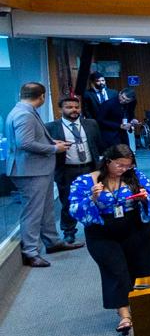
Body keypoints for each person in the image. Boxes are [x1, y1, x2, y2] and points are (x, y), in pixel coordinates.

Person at [68, 144, 150, 335]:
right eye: (120, 165)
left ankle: (146, 309)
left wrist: (144, 198)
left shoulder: (135, 177)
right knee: (116, 270)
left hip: (133, 227)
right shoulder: (84, 181)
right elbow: (74, 210)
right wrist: (92, 199)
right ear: (108, 162)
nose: (124, 170)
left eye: (128, 166)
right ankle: (125, 315)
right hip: (102, 233)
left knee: (141, 268)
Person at [5, 83, 78, 266]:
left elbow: (29, 139)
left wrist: (51, 141)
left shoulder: (22, 110)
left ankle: (52, 242)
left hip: (36, 169)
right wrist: (54, 148)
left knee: (45, 209)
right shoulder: (24, 114)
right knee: (33, 212)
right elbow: (25, 143)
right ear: (42, 96)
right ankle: (30, 252)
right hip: (30, 171)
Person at [47, 95, 103, 245]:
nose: (74, 110)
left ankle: (97, 228)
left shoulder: (91, 124)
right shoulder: (51, 127)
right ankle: (69, 232)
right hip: (67, 170)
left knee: (96, 198)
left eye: (76, 107)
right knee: (68, 201)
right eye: (69, 107)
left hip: (90, 168)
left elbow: (99, 145)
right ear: (61, 109)